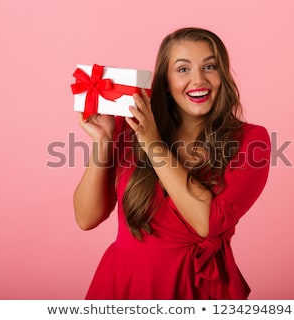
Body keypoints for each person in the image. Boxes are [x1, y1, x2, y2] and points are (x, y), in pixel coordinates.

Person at [73, 27, 271, 299]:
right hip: (125, 282)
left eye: (209, 66)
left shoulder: (251, 140)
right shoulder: (131, 127)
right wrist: (105, 139)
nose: (198, 80)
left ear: (222, 75)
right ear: (164, 81)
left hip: (195, 287)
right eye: (183, 69)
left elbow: (208, 222)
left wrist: (153, 144)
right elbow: (86, 218)